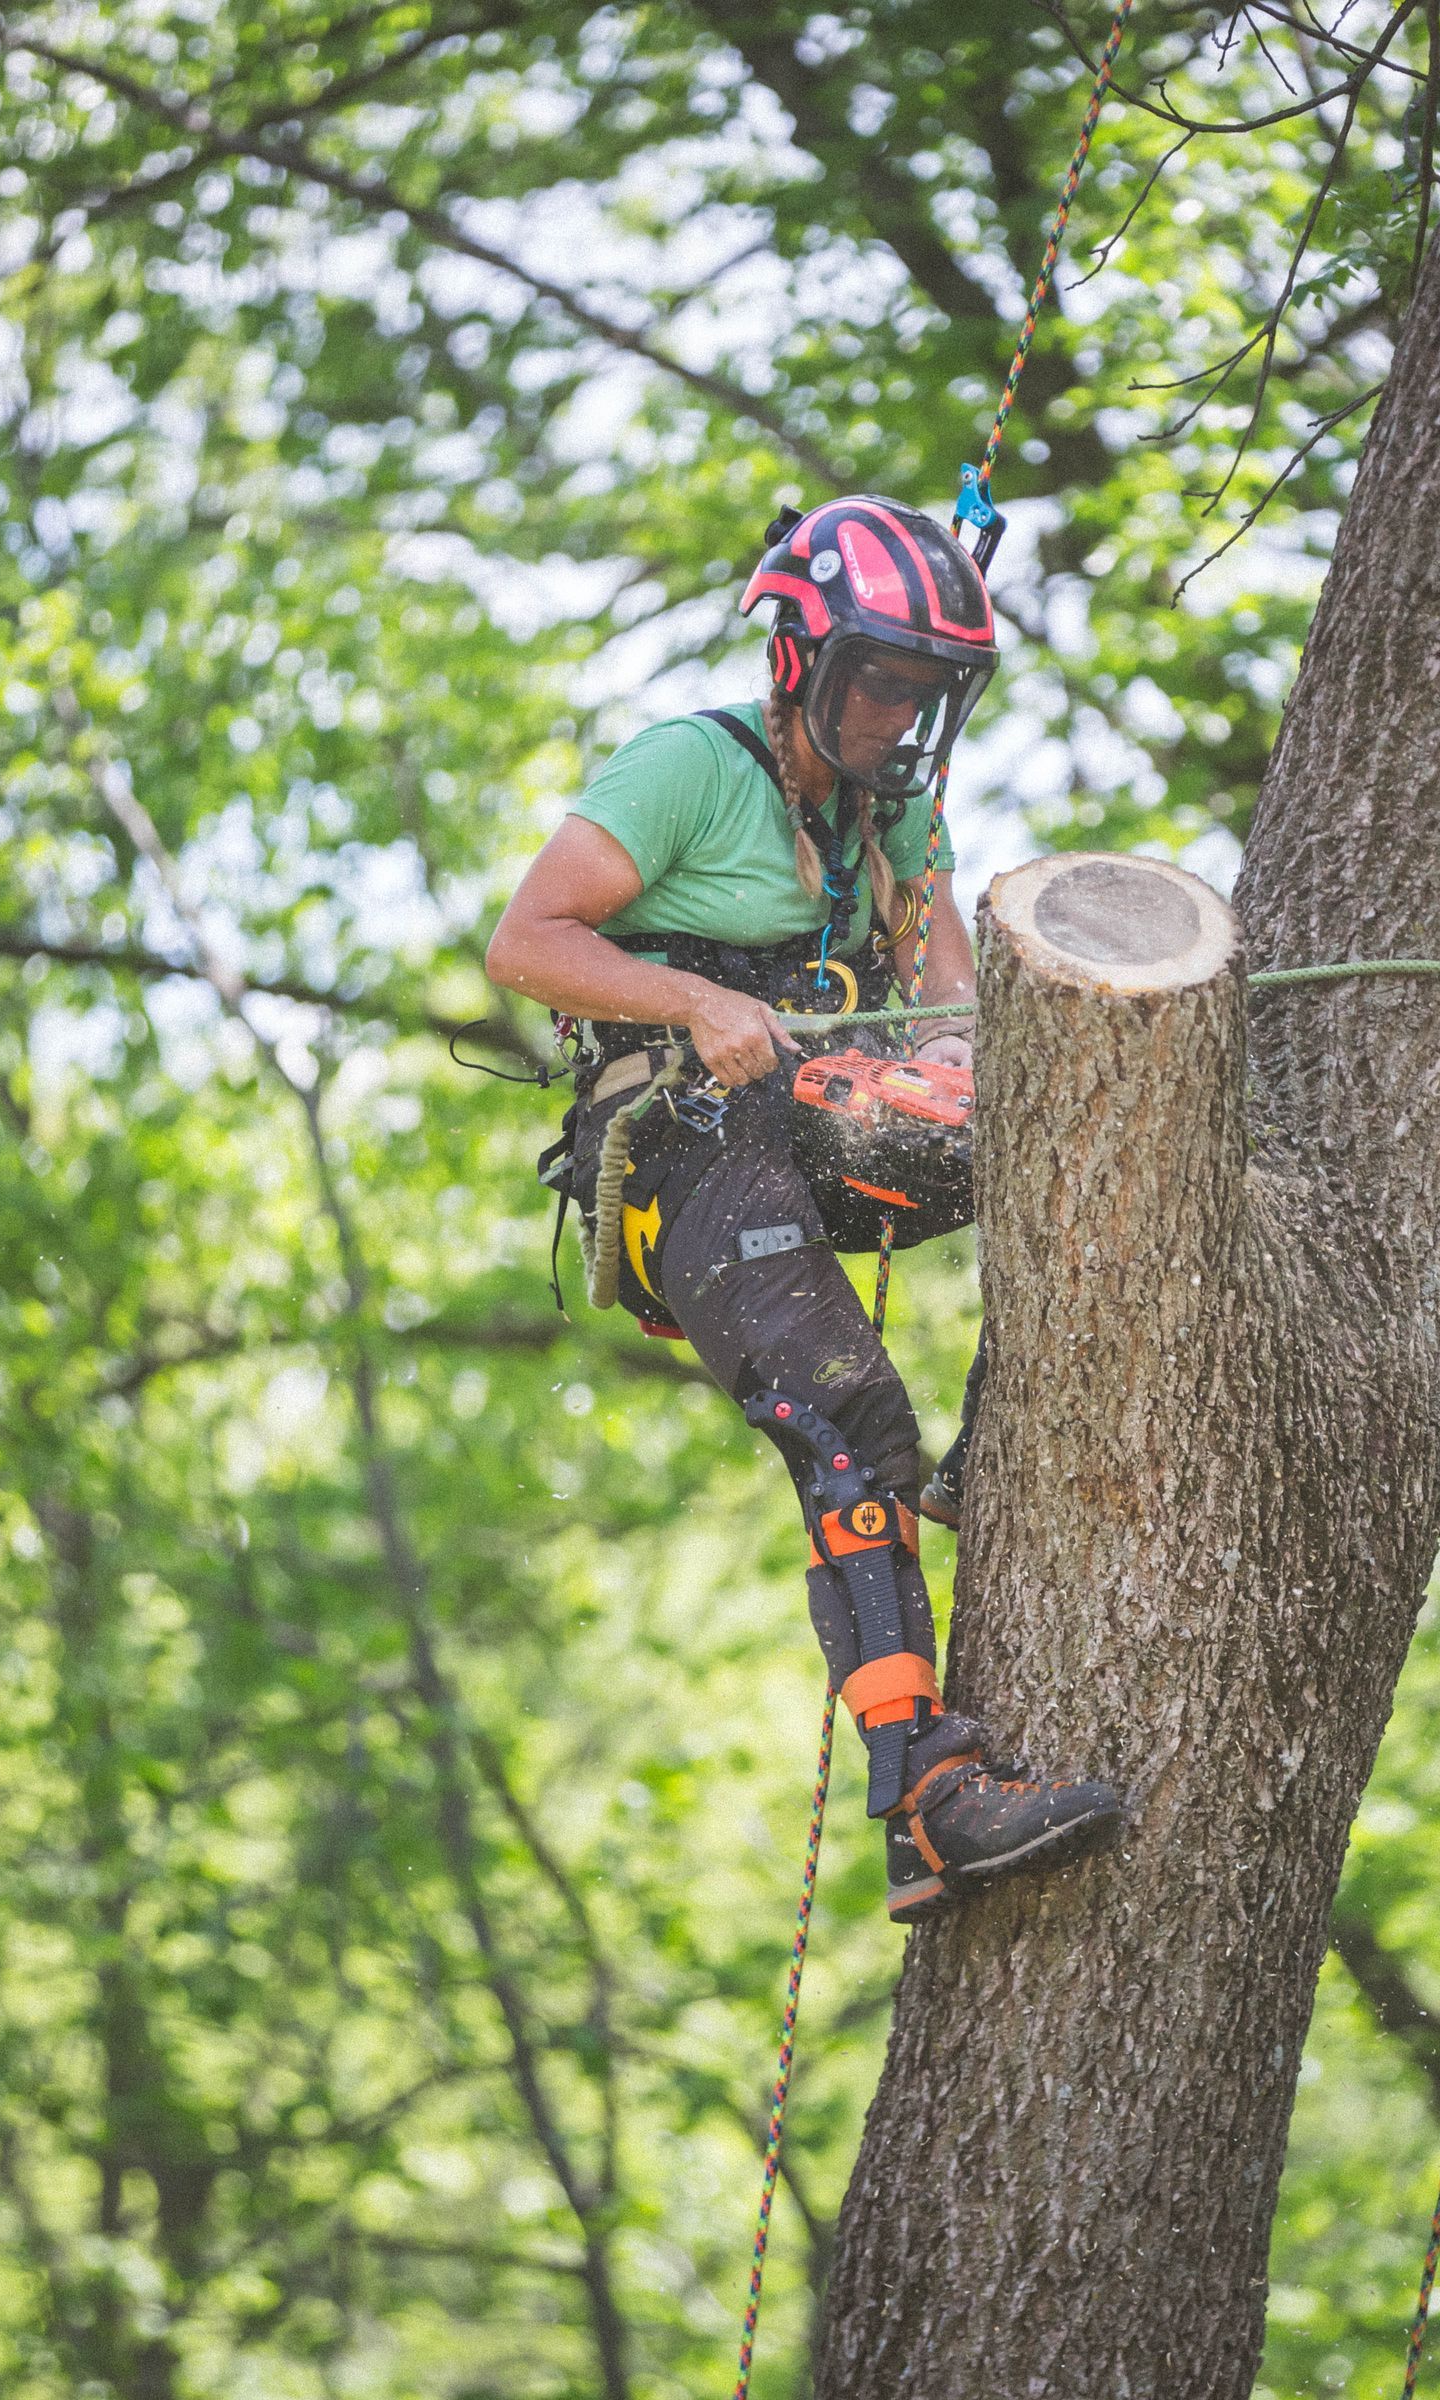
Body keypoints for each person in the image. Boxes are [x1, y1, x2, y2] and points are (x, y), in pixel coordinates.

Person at [485, 494, 1120, 1921]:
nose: (898, 716)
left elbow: (949, 995)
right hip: (681, 1153)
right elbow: (524, 942)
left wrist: (968, 1061)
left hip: (816, 1128)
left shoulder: (898, 813)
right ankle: (930, 1800)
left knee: (1035, 1123)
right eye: (876, 681)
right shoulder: (687, 770)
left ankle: (990, 1448)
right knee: (847, 1418)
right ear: (800, 659)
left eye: (922, 692)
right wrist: (699, 998)